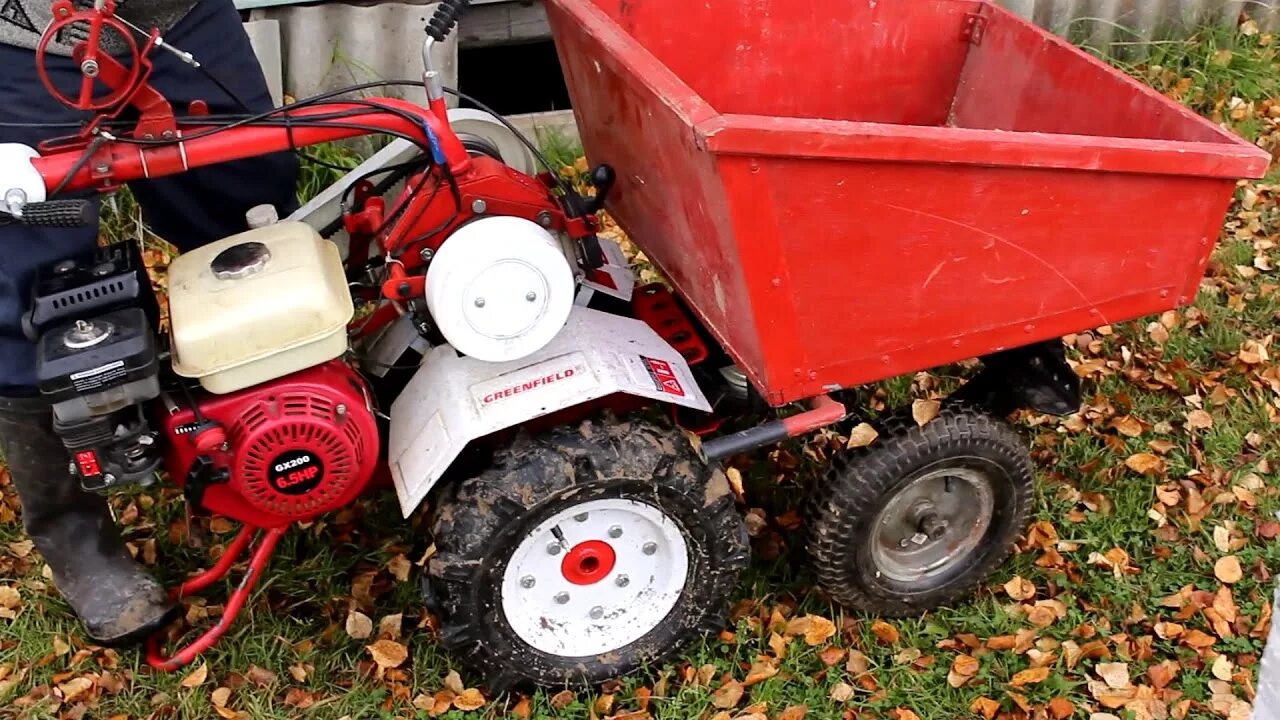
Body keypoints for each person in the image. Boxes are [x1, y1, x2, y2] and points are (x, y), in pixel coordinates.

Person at [0, 0, 299, 645]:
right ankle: (77, 539)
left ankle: (273, 435)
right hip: (18, 34)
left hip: (176, 17)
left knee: (251, 211)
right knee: (23, 291)